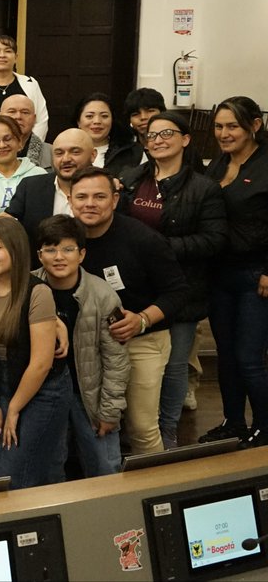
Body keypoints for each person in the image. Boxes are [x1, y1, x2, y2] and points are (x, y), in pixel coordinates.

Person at [118, 112, 226, 449]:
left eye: (167, 133)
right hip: (134, 290)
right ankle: (133, 431)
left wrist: (159, 249)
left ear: (185, 139)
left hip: (182, 289)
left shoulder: (203, 187)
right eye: (152, 135)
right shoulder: (131, 179)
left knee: (175, 366)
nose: (159, 140)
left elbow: (214, 239)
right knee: (132, 366)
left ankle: (166, 432)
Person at [71, 166, 189, 455]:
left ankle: (157, 496)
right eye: (81, 196)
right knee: (89, 422)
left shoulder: (143, 238)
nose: (89, 203)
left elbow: (179, 292)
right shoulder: (65, 237)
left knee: (142, 426)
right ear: (69, 199)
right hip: (88, 345)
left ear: (114, 200)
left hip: (142, 341)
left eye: (99, 196)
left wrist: (143, 320)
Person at [0, 217, 67, 489]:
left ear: (16, 249)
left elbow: (41, 364)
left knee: (15, 477)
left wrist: (12, 409)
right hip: (1, 381)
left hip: (43, 389)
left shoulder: (38, 292)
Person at [33, 215, 130, 478]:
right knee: (49, 470)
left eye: (67, 249)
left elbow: (116, 359)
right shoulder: (27, 289)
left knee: (104, 467)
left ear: (82, 254)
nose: (59, 257)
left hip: (91, 396)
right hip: (45, 397)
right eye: (50, 249)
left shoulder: (103, 295)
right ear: (39, 255)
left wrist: (110, 410)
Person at [199, 96, 268, 448]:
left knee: (248, 357)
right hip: (219, 275)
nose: (224, 134)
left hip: (256, 275)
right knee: (226, 354)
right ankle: (233, 422)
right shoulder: (217, 166)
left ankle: (265, 425)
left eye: (233, 126)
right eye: (219, 126)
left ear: (254, 125)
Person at [5, 128, 95, 244]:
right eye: (59, 153)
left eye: (75, 152)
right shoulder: (30, 188)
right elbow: (5, 225)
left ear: (93, 155)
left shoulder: (108, 189)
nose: (66, 159)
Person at [75, 92, 140, 173]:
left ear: (112, 120)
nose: (97, 121)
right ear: (78, 122)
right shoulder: (64, 152)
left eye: (104, 116)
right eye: (89, 116)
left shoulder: (134, 152)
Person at [0, 95, 51, 169]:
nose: (18, 116)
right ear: (0, 117)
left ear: (34, 119)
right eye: (12, 112)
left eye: (25, 112)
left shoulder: (51, 152)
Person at [124, 87, 167, 164]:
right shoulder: (124, 150)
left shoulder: (177, 145)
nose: (143, 117)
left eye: (150, 111)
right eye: (136, 114)